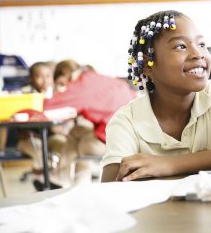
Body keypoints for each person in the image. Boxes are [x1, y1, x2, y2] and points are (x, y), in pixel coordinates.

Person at [101, 10, 211, 182]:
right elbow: (110, 187)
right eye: (180, 46)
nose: (198, 54)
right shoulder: (126, 121)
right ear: (147, 65)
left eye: (201, 44)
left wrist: (170, 165)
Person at [37, 60, 137, 189]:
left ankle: (62, 178)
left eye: (62, 84)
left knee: (76, 141)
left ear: (67, 73)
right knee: (78, 131)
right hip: (131, 139)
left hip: (114, 144)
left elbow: (49, 106)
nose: (65, 88)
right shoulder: (100, 79)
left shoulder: (82, 84)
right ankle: (75, 183)